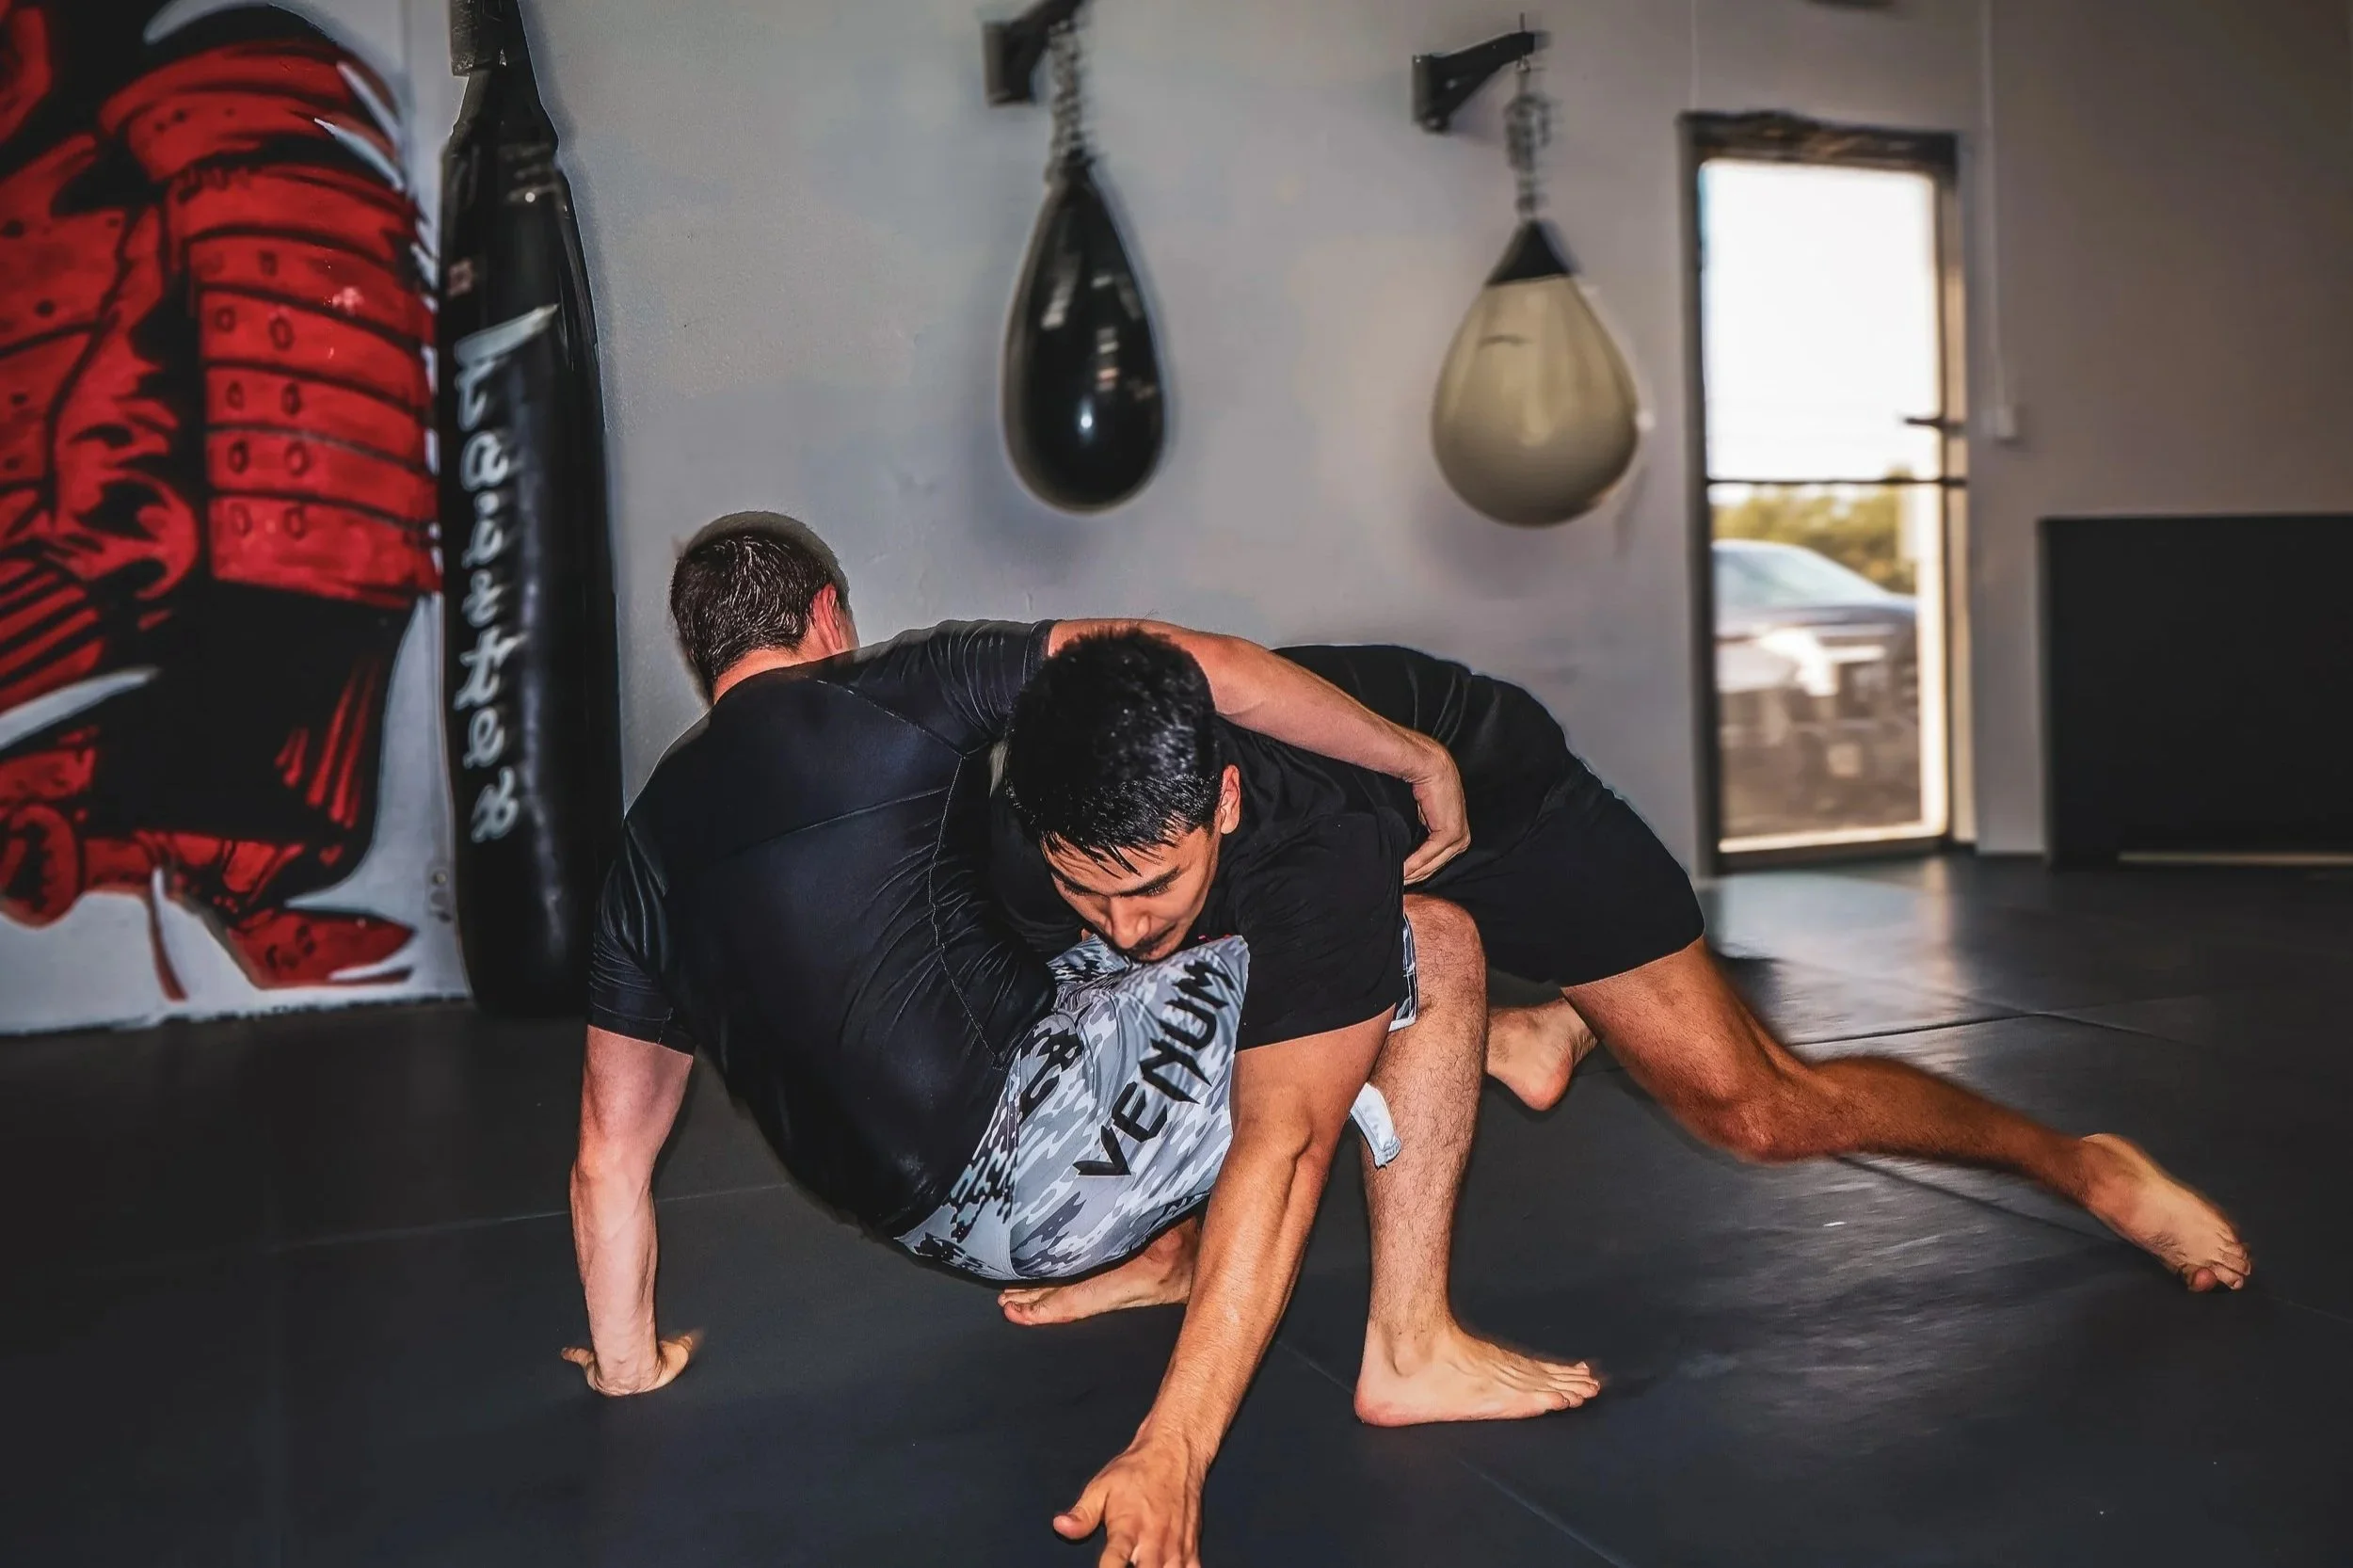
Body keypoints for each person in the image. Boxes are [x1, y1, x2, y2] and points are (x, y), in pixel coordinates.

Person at [992, 630, 2253, 1559]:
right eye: (1083, 886)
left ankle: (2076, 1161)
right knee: (1207, 975)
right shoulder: (1067, 781)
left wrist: (1176, 1443)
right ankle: (1275, 1252)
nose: (1118, 917)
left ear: (1217, 802)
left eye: (1147, 882)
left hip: (1514, 814)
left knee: (1753, 1105)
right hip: (1372, 859)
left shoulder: (1305, 836)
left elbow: (1291, 1136)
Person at [564, 516, 1594, 1563]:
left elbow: (608, 1154)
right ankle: (1412, 1347)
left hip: (916, 1216)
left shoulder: (643, 847)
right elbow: (1199, 670)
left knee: (1135, 898)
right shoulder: (892, 686)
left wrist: (627, 1363)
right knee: (1425, 934)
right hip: (1039, 1169)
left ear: (703, 656)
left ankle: (1414, 1095)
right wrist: (1413, 752)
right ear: (830, 615)